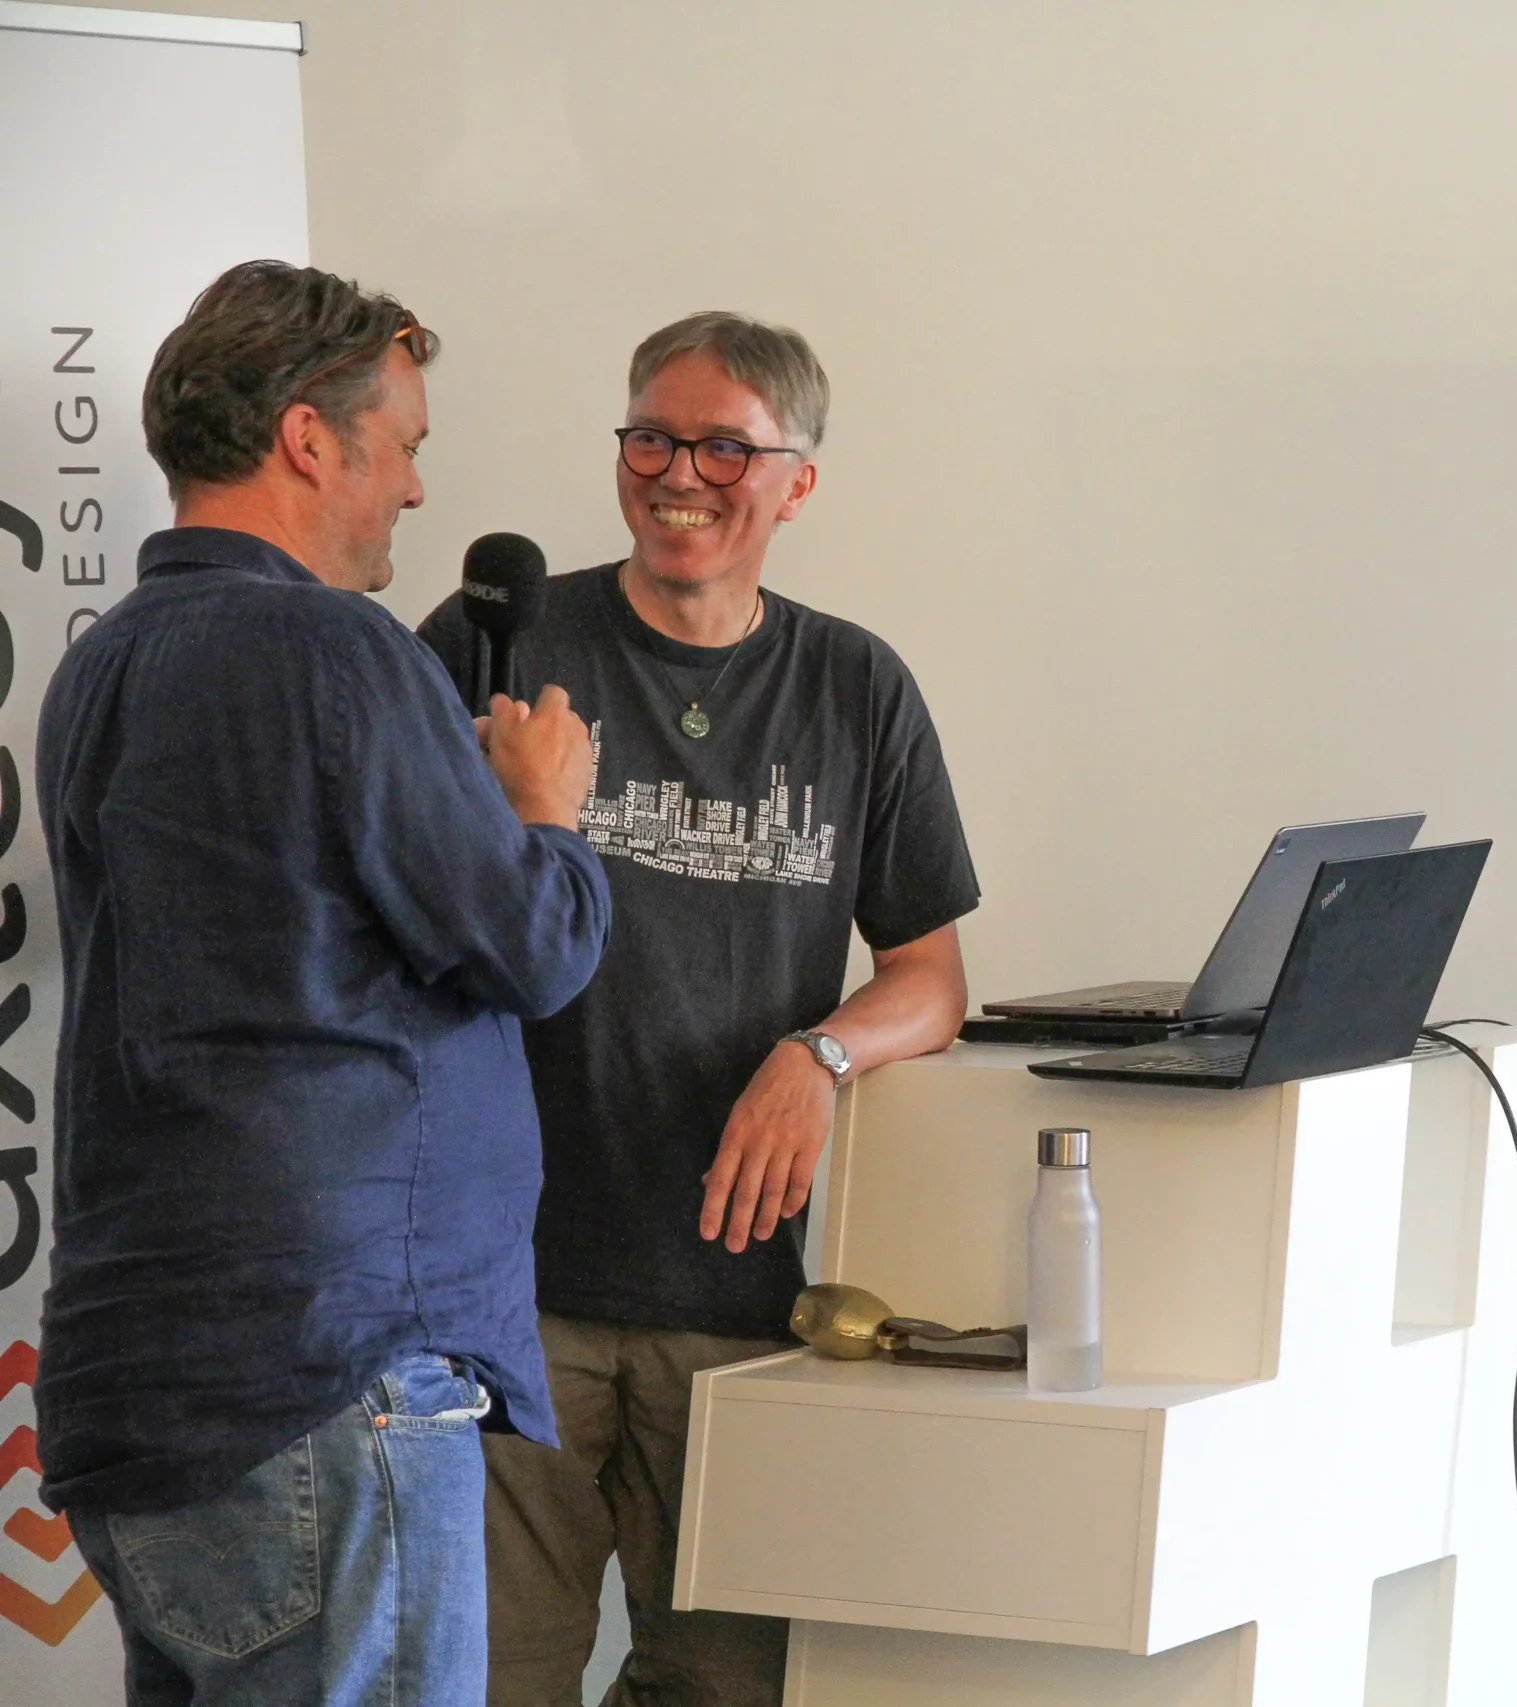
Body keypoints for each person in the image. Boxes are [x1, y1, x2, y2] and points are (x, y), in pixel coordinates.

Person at [34, 260, 611, 1706]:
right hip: (330, 1372)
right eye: (404, 444)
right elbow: (531, 944)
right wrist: (543, 807)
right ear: (309, 438)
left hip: (144, 1391)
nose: (416, 491)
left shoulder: (97, 671)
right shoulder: (338, 652)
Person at [418, 311, 977, 1706]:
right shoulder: (499, 641)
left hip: (742, 1305)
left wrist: (822, 1050)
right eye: (655, 436)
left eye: (727, 447)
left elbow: (931, 977)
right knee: (495, 1681)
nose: (681, 473)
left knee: (726, 1686)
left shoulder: (856, 685)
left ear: (797, 479)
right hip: (508, 1294)